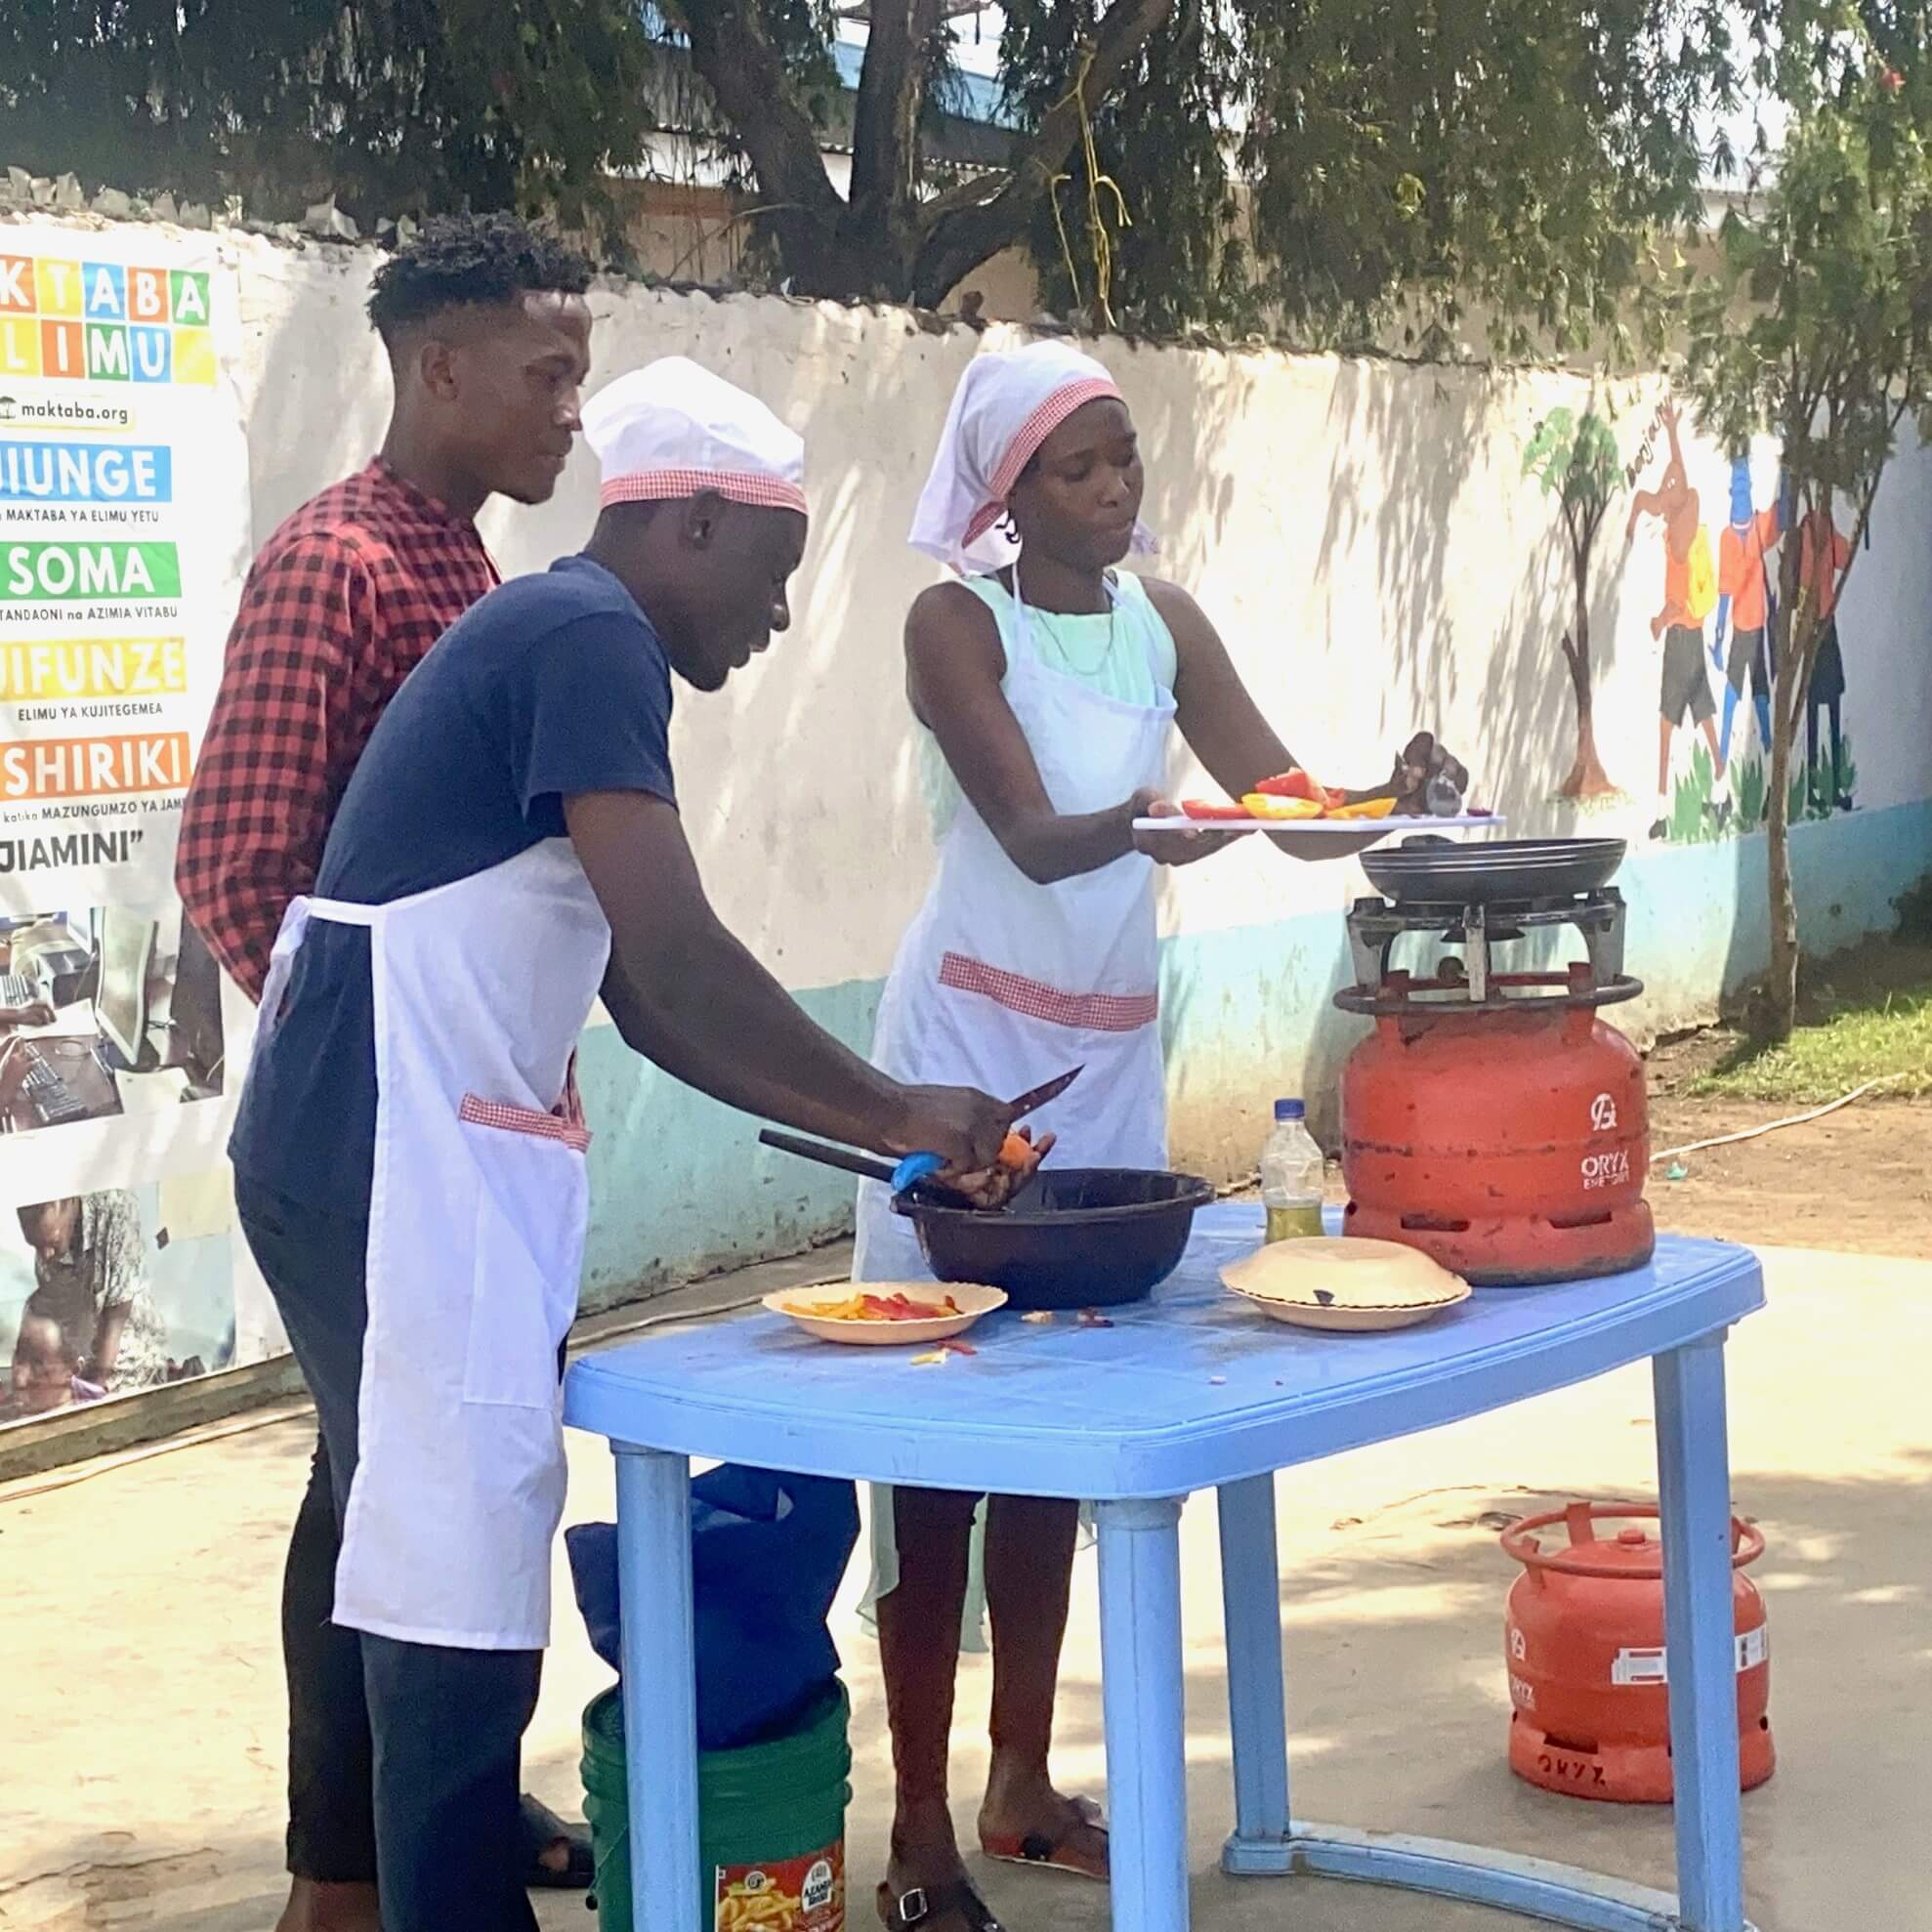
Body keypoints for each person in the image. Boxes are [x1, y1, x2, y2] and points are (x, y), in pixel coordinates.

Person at [224, 357, 1017, 1932]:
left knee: (414, 1538)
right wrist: (897, 1106)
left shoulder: (561, 633)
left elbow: (646, 1007)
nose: (778, 622)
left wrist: (881, 1152)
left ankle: (359, 1893)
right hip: (385, 1137)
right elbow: (674, 947)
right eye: (776, 579)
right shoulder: (590, 632)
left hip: (384, 1129)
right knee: (450, 1575)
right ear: (697, 525)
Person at [850, 340, 1464, 1932]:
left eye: (1125, 457)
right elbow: (1036, 839)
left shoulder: (1161, 621)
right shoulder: (951, 624)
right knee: (936, 1429)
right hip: (963, 1055)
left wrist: (1383, 793)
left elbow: (1276, 791)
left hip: (1108, 1059)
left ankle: (1019, 1778)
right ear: (1007, 490)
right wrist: (1171, 822)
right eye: (1080, 464)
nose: (1116, 487)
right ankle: (916, 1818)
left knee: (1063, 1413)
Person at [173, 213, 598, 1925]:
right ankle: (349, 1877)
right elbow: (237, 860)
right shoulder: (336, 562)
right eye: (545, 368)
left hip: (452, 1130)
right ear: (439, 368)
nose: (574, 404)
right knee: (397, 1490)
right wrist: (380, 1059)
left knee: (383, 1480)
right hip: (367, 1128)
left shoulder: (464, 571)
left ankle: (408, 1830)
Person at [1627, 399, 1729, 839]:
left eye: (1670, 486)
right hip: (1688, 636)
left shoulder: (1684, 536)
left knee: (1668, 725)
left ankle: (1663, 811)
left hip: (1683, 640)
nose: (1667, 487)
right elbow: (1657, 492)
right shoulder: (1677, 530)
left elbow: (1680, 477)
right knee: (1703, 716)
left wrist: (1660, 620)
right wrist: (1635, 517)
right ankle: (1722, 792)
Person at [11, 1192, 170, 1395]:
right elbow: (55, 1314)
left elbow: (117, 1314)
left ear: (67, 1202)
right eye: (36, 1246)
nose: (45, 1255)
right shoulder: (45, 1230)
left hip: (128, 1363)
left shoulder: (116, 1208)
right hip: (80, 1360)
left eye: (52, 1242)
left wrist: (93, 1391)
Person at [1711, 456, 1780, 769]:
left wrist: (1789, 469)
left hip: (1754, 624)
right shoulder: (1730, 537)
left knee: (1757, 686)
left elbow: (1782, 514)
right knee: (1736, 686)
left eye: (1743, 490)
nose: (1741, 497)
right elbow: (1724, 590)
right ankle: (1725, 750)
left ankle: (1764, 743)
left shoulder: (1756, 527)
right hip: (1742, 626)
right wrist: (1719, 634)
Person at [1799, 499, 1855, 814]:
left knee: (1832, 704)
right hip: (1813, 627)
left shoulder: (1824, 525)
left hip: (1826, 624)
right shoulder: (1809, 528)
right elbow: (1808, 578)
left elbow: (1843, 557)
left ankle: (1833, 788)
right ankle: (1812, 789)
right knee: (1811, 710)